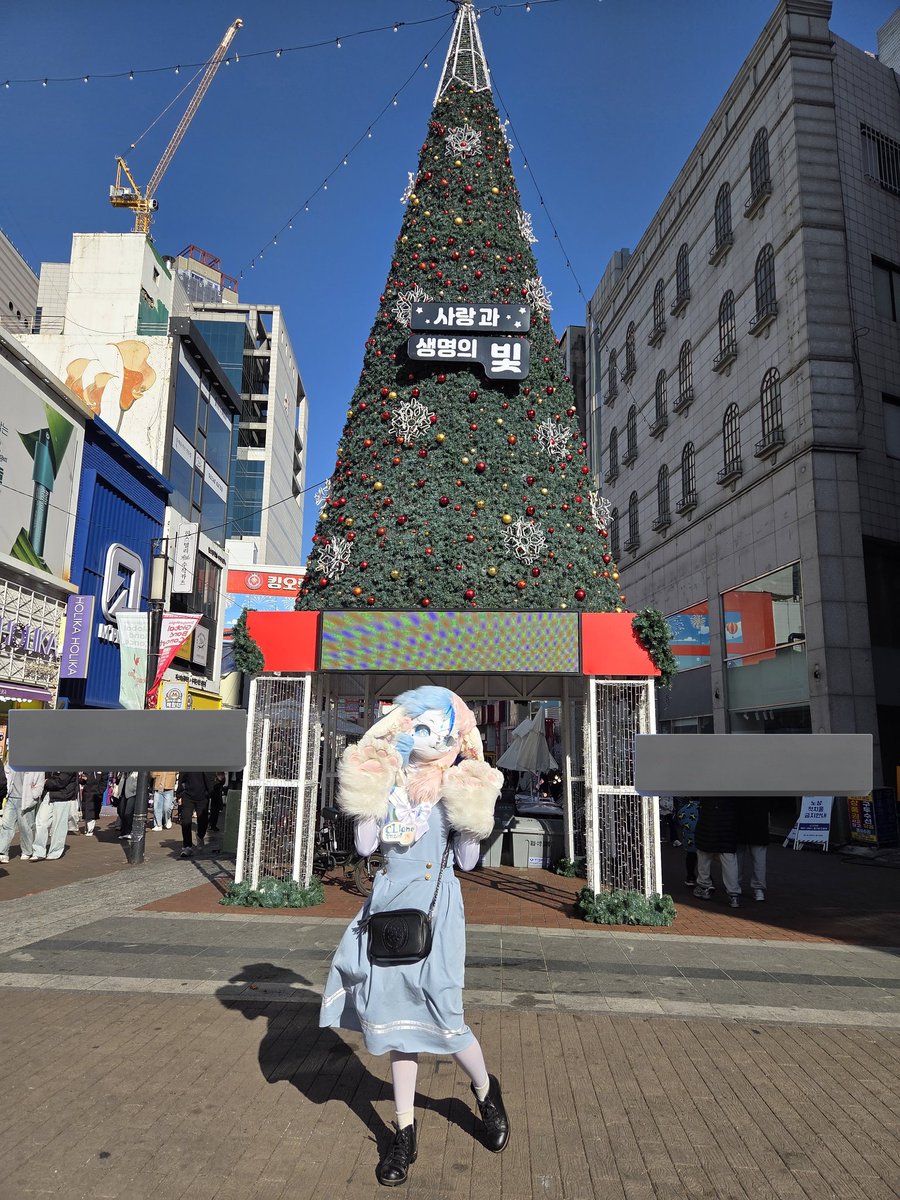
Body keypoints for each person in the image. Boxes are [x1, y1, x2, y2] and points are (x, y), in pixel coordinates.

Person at [320, 686, 510, 1187]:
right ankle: (404, 1133)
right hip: (388, 907)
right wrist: (370, 792)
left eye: (439, 730)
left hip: (438, 909)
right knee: (397, 1021)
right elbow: (364, 846)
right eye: (419, 727)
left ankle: (486, 1090)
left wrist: (473, 813)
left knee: (446, 1011)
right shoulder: (387, 782)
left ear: (455, 736)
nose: (428, 738)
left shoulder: (455, 786)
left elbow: (468, 861)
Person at [693, 795, 741, 907]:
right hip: (727, 831)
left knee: (704, 859)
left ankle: (704, 886)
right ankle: (733, 894)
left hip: (707, 827)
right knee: (730, 863)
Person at [0, 759, 43, 863]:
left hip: (26, 799)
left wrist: (34, 794)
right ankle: (3, 852)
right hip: (11, 797)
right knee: (6, 825)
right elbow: (6, 772)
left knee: (25, 826)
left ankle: (27, 851)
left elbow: (40, 781)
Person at [33, 771, 78, 860]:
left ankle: (55, 851)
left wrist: (45, 782)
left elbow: (61, 781)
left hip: (63, 796)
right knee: (41, 822)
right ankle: (39, 851)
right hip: (48, 795)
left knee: (59, 825)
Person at [738, 796, 771, 902]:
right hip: (759, 821)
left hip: (740, 819)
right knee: (759, 859)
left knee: (737, 858)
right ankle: (759, 889)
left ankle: (735, 886)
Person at [176, 771, 214, 858]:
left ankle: (200, 836)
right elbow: (181, 779)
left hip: (202, 797)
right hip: (188, 797)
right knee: (185, 820)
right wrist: (179, 795)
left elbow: (210, 779)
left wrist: (209, 794)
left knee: (203, 820)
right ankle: (187, 846)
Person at [673, 796, 700, 887]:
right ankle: (707, 878)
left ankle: (690, 877)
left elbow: (680, 820)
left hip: (689, 838)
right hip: (701, 837)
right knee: (703, 860)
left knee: (690, 858)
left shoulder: (684, 809)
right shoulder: (702, 808)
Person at [80, 771, 105, 837]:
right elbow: (82, 781)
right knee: (86, 811)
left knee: (93, 812)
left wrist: (100, 791)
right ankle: (87, 828)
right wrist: (82, 779)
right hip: (87, 792)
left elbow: (104, 780)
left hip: (96, 793)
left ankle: (90, 829)